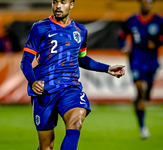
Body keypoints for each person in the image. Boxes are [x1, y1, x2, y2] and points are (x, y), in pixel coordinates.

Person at [21, 0, 125, 149]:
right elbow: (25, 61)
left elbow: (81, 59)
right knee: (47, 146)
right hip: (45, 89)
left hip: (70, 87)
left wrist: (107, 68)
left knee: (76, 122)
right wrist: (32, 81)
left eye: (63, 2)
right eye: (55, 2)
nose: (58, 6)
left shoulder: (80, 30)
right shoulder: (40, 28)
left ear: (71, 5)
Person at [118, 0, 163, 139]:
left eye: (149, 2)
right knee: (140, 88)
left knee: (145, 95)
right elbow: (121, 35)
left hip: (152, 61)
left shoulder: (158, 20)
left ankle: (139, 101)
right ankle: (142, 127)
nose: (146, 4)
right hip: (136, 60)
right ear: (141, 3)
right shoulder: (131, 20)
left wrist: (155, 43)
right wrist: (124, 48)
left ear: (152, 4)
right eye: (144, 2)